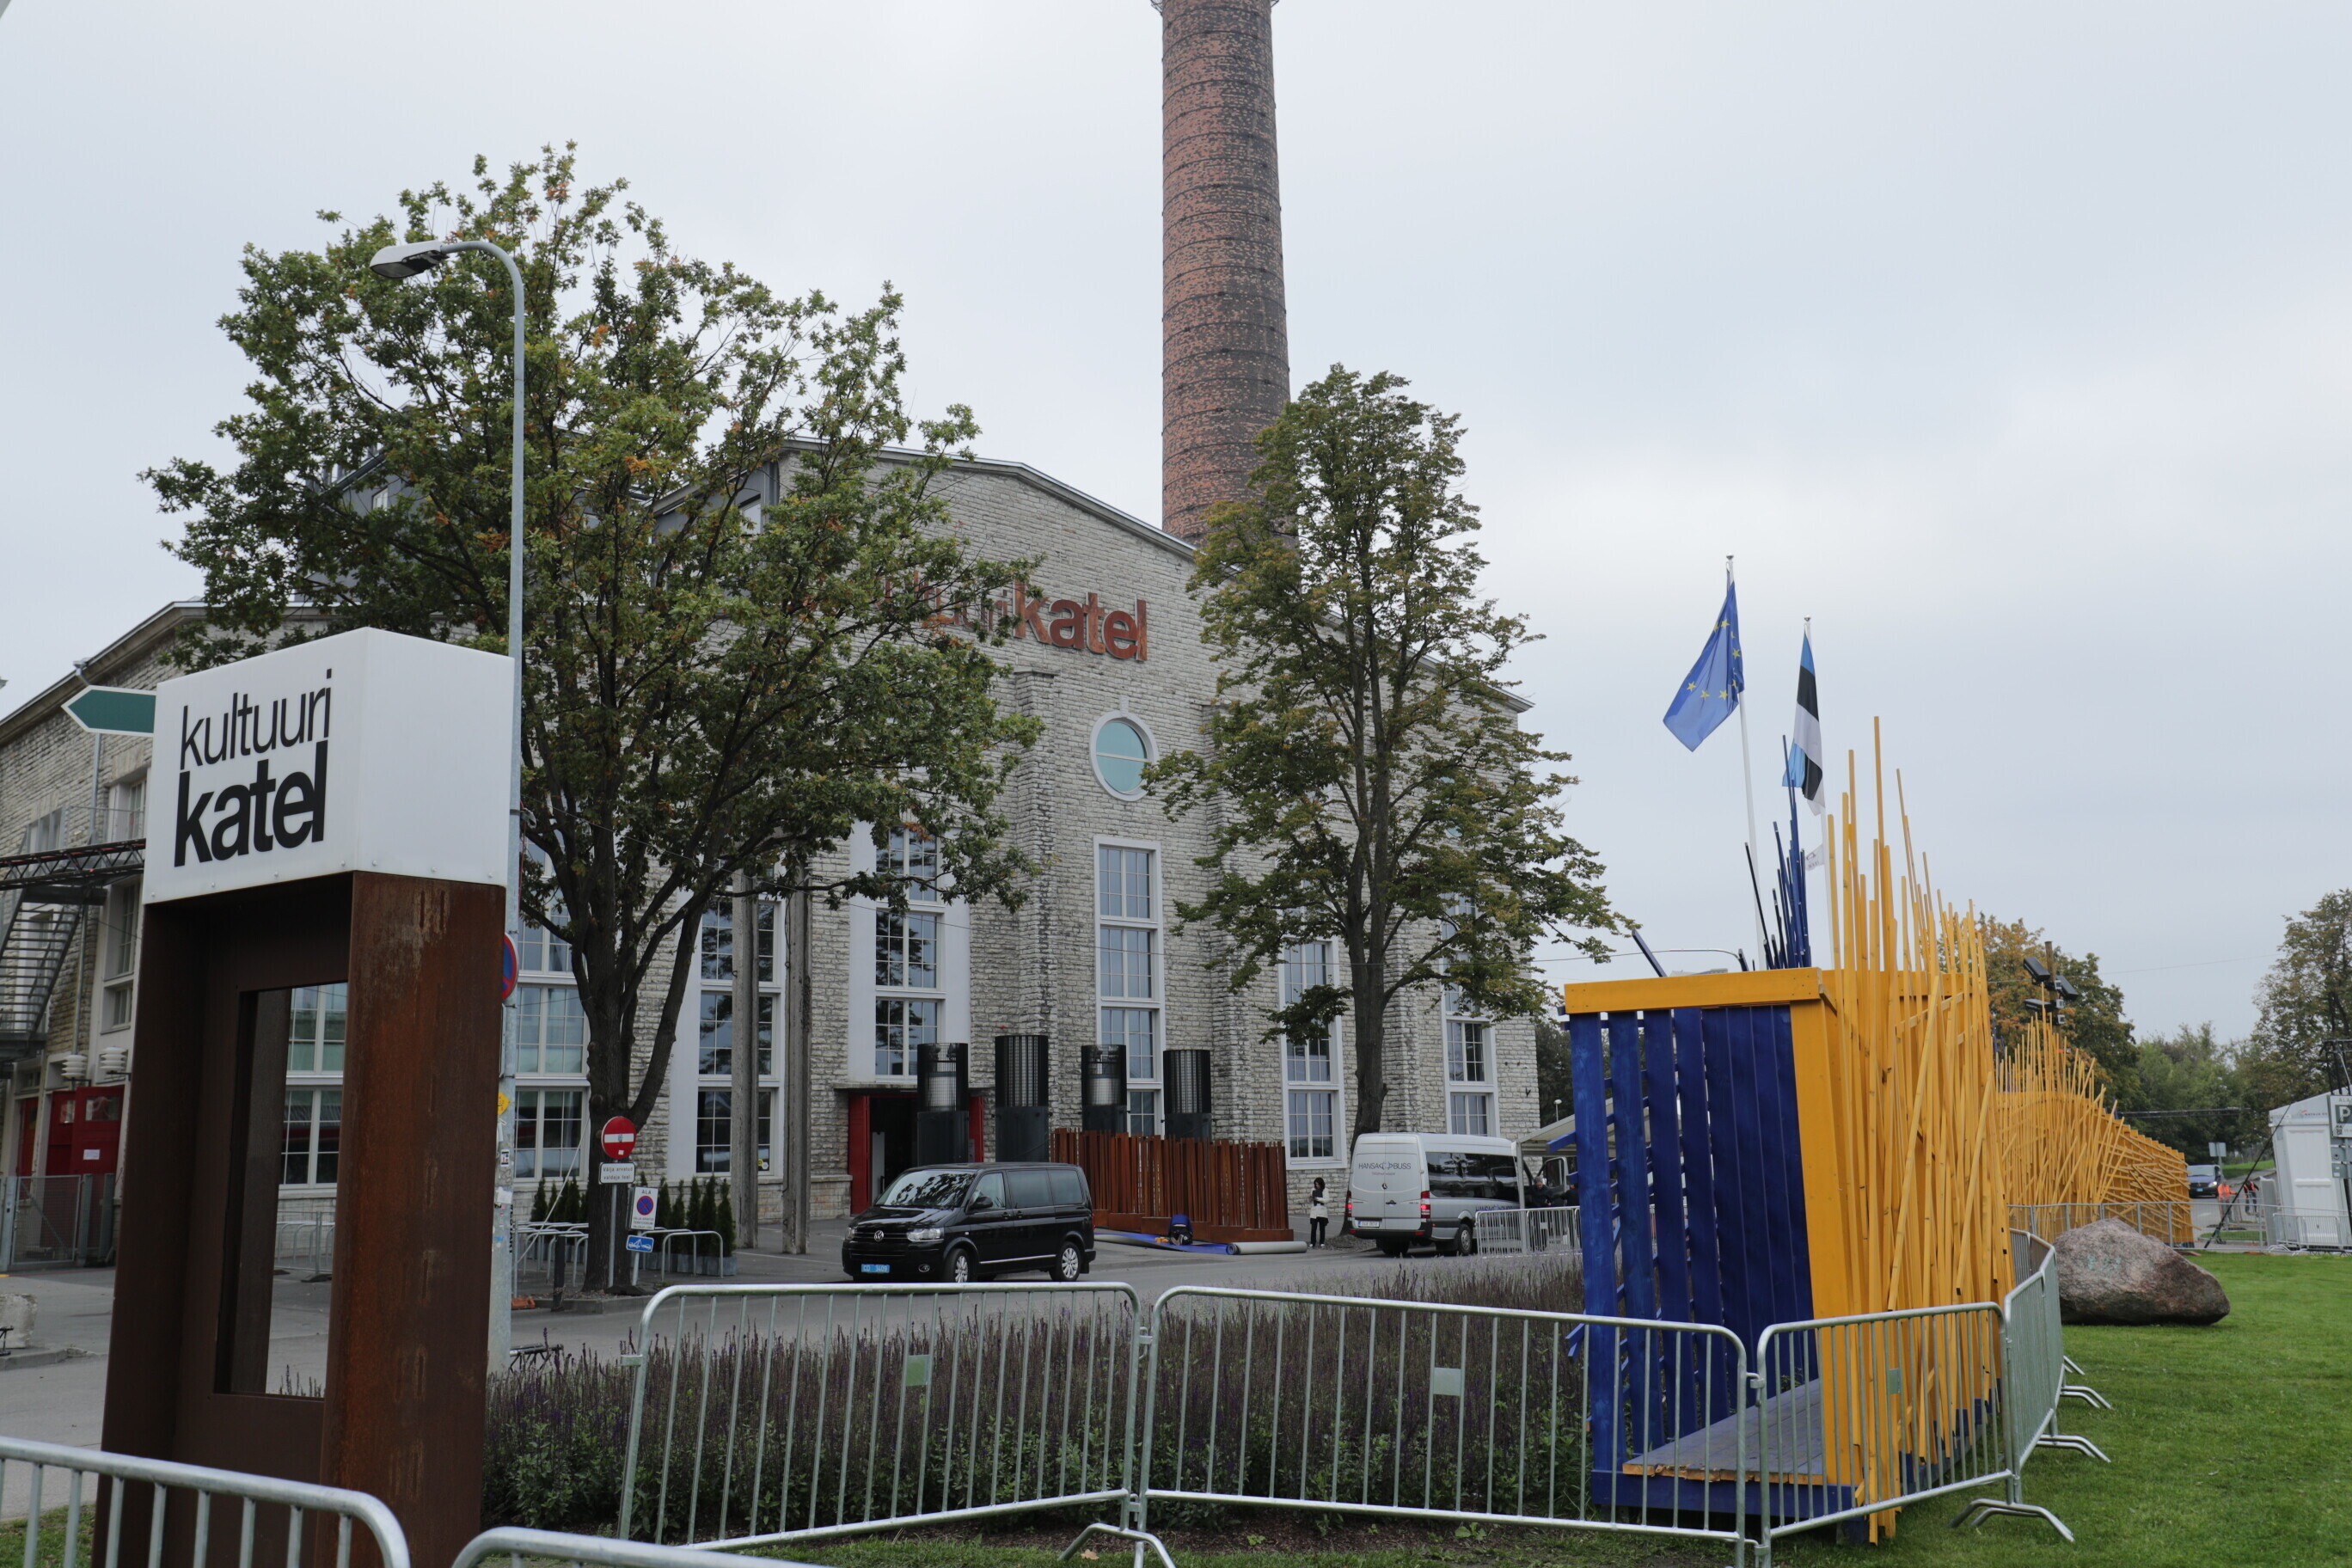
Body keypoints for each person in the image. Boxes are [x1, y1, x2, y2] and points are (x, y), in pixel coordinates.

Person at [1308, 1179, 1330, 1248]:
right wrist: (1310, 1198)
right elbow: (1310, 1200)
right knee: (1313, 1228)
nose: (1317, 1185)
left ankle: (1322, 1242)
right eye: (1316, 1184)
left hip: (1322, 1211)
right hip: (1314, 1210)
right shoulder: (1313, 1190)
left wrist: (1317, 1199)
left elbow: (1326, 1200)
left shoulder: (1325, 1190)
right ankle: (1312, 1242)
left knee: (1322, 1228)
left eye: (1318, 1184)